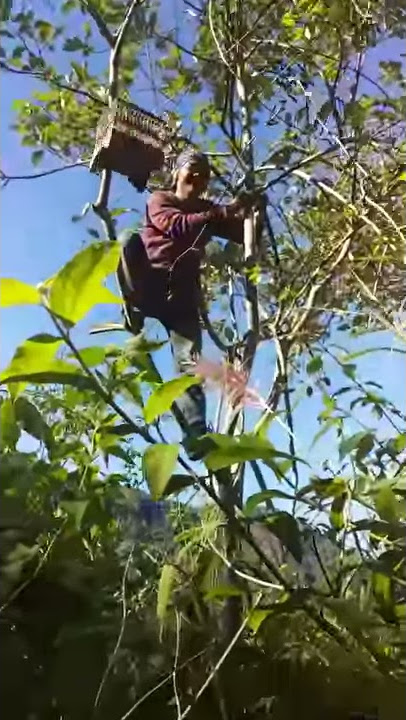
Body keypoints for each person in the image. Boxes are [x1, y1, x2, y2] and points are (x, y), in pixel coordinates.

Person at [118, 148, 255, 457]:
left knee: (189, 361)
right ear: (177, 174)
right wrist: (224, 211)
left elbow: (241, 232)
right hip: (150, 281)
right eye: (192, 170)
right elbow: (178, 226)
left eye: (204, 175)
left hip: (182, 295)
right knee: (129, 241)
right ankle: (133, 307)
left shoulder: (207, 211)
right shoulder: (161, 200)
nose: (198, 178)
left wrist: (251, 213)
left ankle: (194, 433)